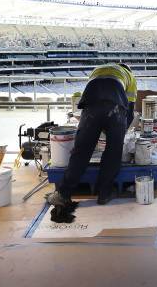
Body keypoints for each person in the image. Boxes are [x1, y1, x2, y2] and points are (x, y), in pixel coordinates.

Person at [46, 63, 137, 210]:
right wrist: (119, 133)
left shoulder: (98, 70)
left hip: (91, 106)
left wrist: (97, 128)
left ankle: (62, 194)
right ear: (128, 69)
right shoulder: (130, 77)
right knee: (113, 151)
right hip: (115, 107)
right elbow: (130, 110)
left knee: (81, 151)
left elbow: (98, 95)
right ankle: (104, 193)